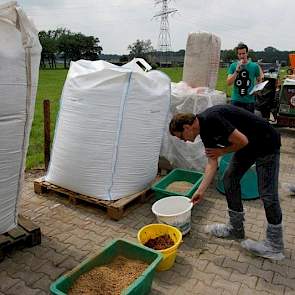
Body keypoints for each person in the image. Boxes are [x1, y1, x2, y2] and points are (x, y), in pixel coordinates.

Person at [169, 104, 284, 260]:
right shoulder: (204, 132)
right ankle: (235, 229)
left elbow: (242, 140)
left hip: (266, 143)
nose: (183, 141)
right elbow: (212, 162)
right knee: (229, 179)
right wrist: (200, 191)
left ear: (187, 127)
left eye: (180, 136)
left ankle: (275, 245)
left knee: (267, 194)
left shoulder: (211, 119)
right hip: (248, 146)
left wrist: (222, 151)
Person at [227, 43, 264, 113]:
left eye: (243, 53)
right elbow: (229, 83)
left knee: (248, 122)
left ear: (247, 53)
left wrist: (257, 89)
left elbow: (259, 79)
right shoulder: (233, 66)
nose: (242, 56)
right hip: (236, 100)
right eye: (239, 54)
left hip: (249, 101)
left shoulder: (254, 66)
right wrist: (237, 71)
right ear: (237, 55)